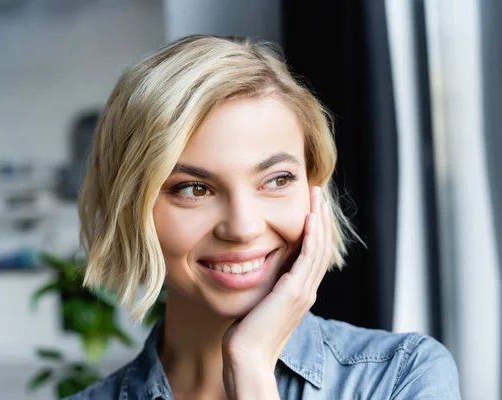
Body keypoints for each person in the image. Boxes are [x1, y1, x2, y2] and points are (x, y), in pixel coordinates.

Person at [67, 35, 461, 399]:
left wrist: (252, 367)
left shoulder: (399, 376)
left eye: (277, 180)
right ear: (131, 209)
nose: (243, 228)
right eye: (193, 188)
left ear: (314, 190)